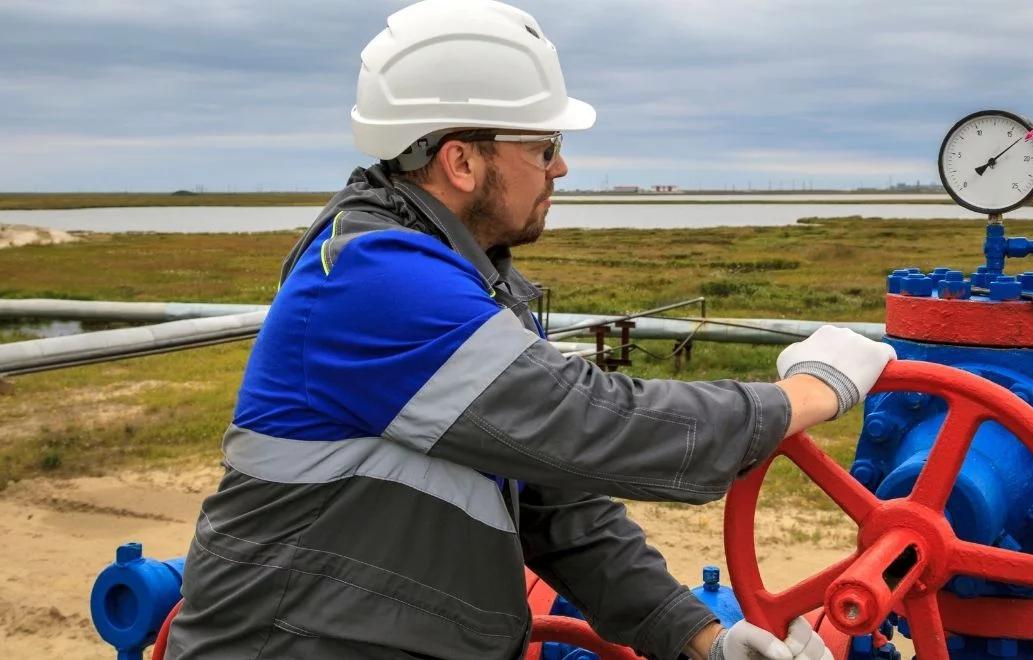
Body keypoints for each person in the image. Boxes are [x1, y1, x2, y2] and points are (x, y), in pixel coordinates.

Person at [167, 1, 895, 659]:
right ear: (460, 160)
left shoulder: (457, 271)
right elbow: (591, 424)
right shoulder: (375, 282)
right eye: (544, 146)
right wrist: (807, 395)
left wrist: (699, 635)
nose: (563, 167)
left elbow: (552, 495)